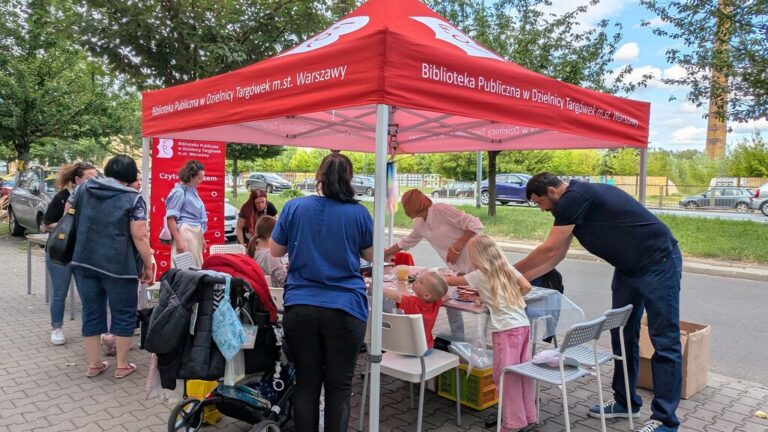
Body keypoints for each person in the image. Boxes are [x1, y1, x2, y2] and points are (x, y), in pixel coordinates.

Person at [514, 173, 682, 432]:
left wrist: (508, 272)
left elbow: (548, 249)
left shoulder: (573, 199)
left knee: (665, 341)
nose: (541, 209)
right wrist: (523, 279)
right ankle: (626, 403)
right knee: (622, 333)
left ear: (552, 191)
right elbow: (557, 256)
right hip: (628, 269)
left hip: (659, 262)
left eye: (539, 202)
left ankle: (665, 420)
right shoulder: (573, 203)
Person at [270, 153, 373, 432]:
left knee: (306, 384)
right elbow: (371, 254)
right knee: (339, 388)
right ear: (349, 179)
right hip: (346, 308)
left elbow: (275, 250)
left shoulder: (293, 207)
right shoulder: (359, 212)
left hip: (300, 307)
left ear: (319, 176)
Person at [68, 155, 153, 379]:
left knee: (91, 311)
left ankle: (94, 364)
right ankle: (122, 365)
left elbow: (69, 213)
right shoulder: (133, 198)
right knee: (123, 313)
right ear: (131, 174)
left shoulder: (84, 188)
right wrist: (148, 263)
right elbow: (140, 235)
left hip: (84, 260)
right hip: (119, 266)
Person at [446, 234, 536, 431]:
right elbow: (526, 286)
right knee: (522, 374)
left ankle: (512, 423)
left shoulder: (479, 275)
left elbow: (453, 281)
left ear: (477, 257)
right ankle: (528, 415)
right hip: (522, 325)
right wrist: (509, 300)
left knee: (504, 377)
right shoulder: (506, 268)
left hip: (505, 331)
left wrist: (437, 275)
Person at [384, 189, 483, 337]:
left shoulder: (441, 210)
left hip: (477, 260)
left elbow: (475, 224)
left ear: (412, 205)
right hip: (458, 267)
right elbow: (407, 241)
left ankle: (472, 340)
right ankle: (458, 338)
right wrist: (385, 253)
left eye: (405, 204)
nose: (404, 208)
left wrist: (457, 246)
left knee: (480, 301)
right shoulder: (419, 223)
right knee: (451, 302)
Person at [43, 161, 99, 345]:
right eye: (90, 178)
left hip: (83, 252)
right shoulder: (62, 198)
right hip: (62, 252)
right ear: (77, 179)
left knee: (88, 292)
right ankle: (57, 328)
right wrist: (66, 226)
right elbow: (47, 223)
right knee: (60, 291)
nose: (95, 181)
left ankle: (91, 331)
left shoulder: (97, 199)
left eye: (97, 177)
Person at [383, 269, 449, 353]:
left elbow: (396, 296)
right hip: (426, 349)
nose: (417, 279)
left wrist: (377, 287)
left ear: (427, 295)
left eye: (421, 281)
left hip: (405, 349)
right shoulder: (436, 302)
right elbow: (446, 296)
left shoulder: (411, 302)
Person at [165, 160, 207, 268]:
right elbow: (171, 219)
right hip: (186, 233)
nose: (202, 180)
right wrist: (178, 240)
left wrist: (201, 238)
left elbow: (197, 218)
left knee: (195, 267)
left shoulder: (192, 190)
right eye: (200, 178)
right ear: (191, 176)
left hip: (194, 232)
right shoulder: (179, 192)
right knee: (187, 268)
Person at [247, 216, 286, 287]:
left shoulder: (254, 248)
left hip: (263, 292)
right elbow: (286, 281)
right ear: (273, 234)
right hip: (276, 295)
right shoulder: (270, 256)